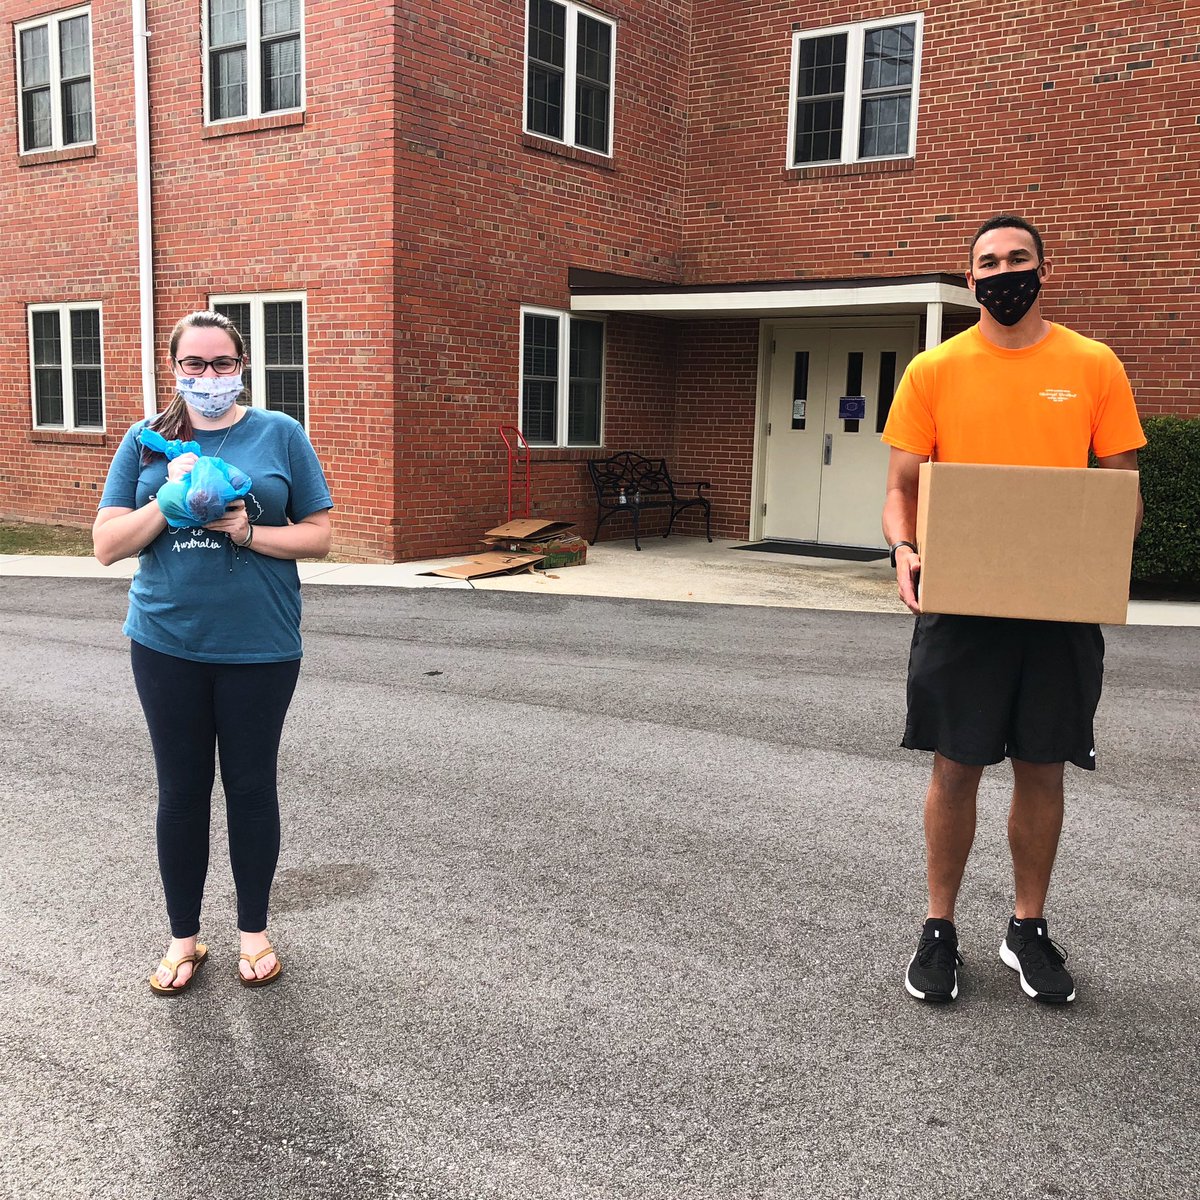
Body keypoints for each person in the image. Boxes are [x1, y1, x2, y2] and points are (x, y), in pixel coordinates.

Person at [880, 215, 1145, 1005]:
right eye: (988, 263)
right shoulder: (935, 369)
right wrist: (904, 550)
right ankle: (939, 929)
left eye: (1017, 259)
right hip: (963, 603)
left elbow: (1120, 492)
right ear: (971, 280)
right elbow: (901, 490)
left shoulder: (1093, 366)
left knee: (1042, 765)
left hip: (1057, 608)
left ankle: (1026, 928)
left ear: (1043, 268)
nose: (1003, 273)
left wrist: (1096, 547)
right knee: (955, 766)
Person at [94, 311, 333, 996]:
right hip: (167, 643)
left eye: (221, 364)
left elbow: (319, 536)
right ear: (173, 370)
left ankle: (254, 932)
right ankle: (183, 938)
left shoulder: (280, 434)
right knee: (181, 790)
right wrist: (166, 509)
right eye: (193, 366)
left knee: (252, 787)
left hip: (261, 644)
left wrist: (249, 530)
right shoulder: (147, 440)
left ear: (242, 366)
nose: (208, 378)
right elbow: (107, 545)